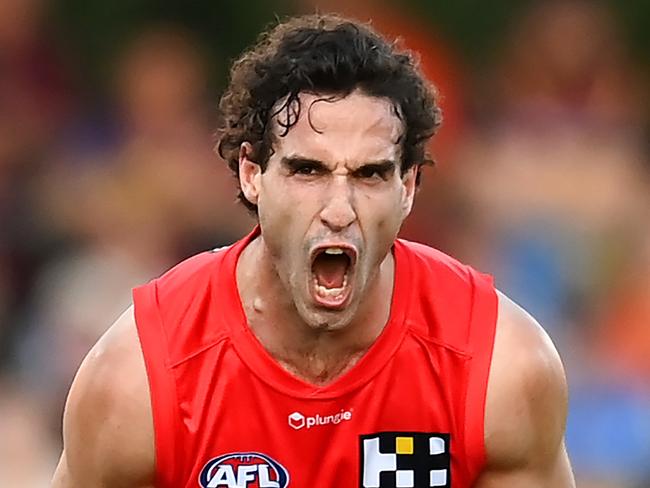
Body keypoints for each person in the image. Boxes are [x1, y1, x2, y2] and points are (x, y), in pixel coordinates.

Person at [51, 14, 575, 488]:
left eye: (370, 174)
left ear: (409, 187)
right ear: (252, 174)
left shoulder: (501, 369)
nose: (339, 209)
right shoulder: (137, 379)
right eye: (308, 170)